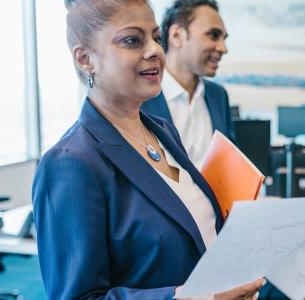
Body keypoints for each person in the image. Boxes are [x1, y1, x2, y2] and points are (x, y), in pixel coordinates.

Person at [32, 0, 262, 299]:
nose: (155, 50)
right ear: (85, 58)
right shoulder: (70, 163)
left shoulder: (162, 132)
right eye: (132, 40)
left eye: (156, 37)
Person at [141, 0, 234, 169]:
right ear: (176, 36)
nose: (223, 48)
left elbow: (230, 164)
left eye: (224, 39)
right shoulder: (140, 97)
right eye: (213, 35)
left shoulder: (218, 95)